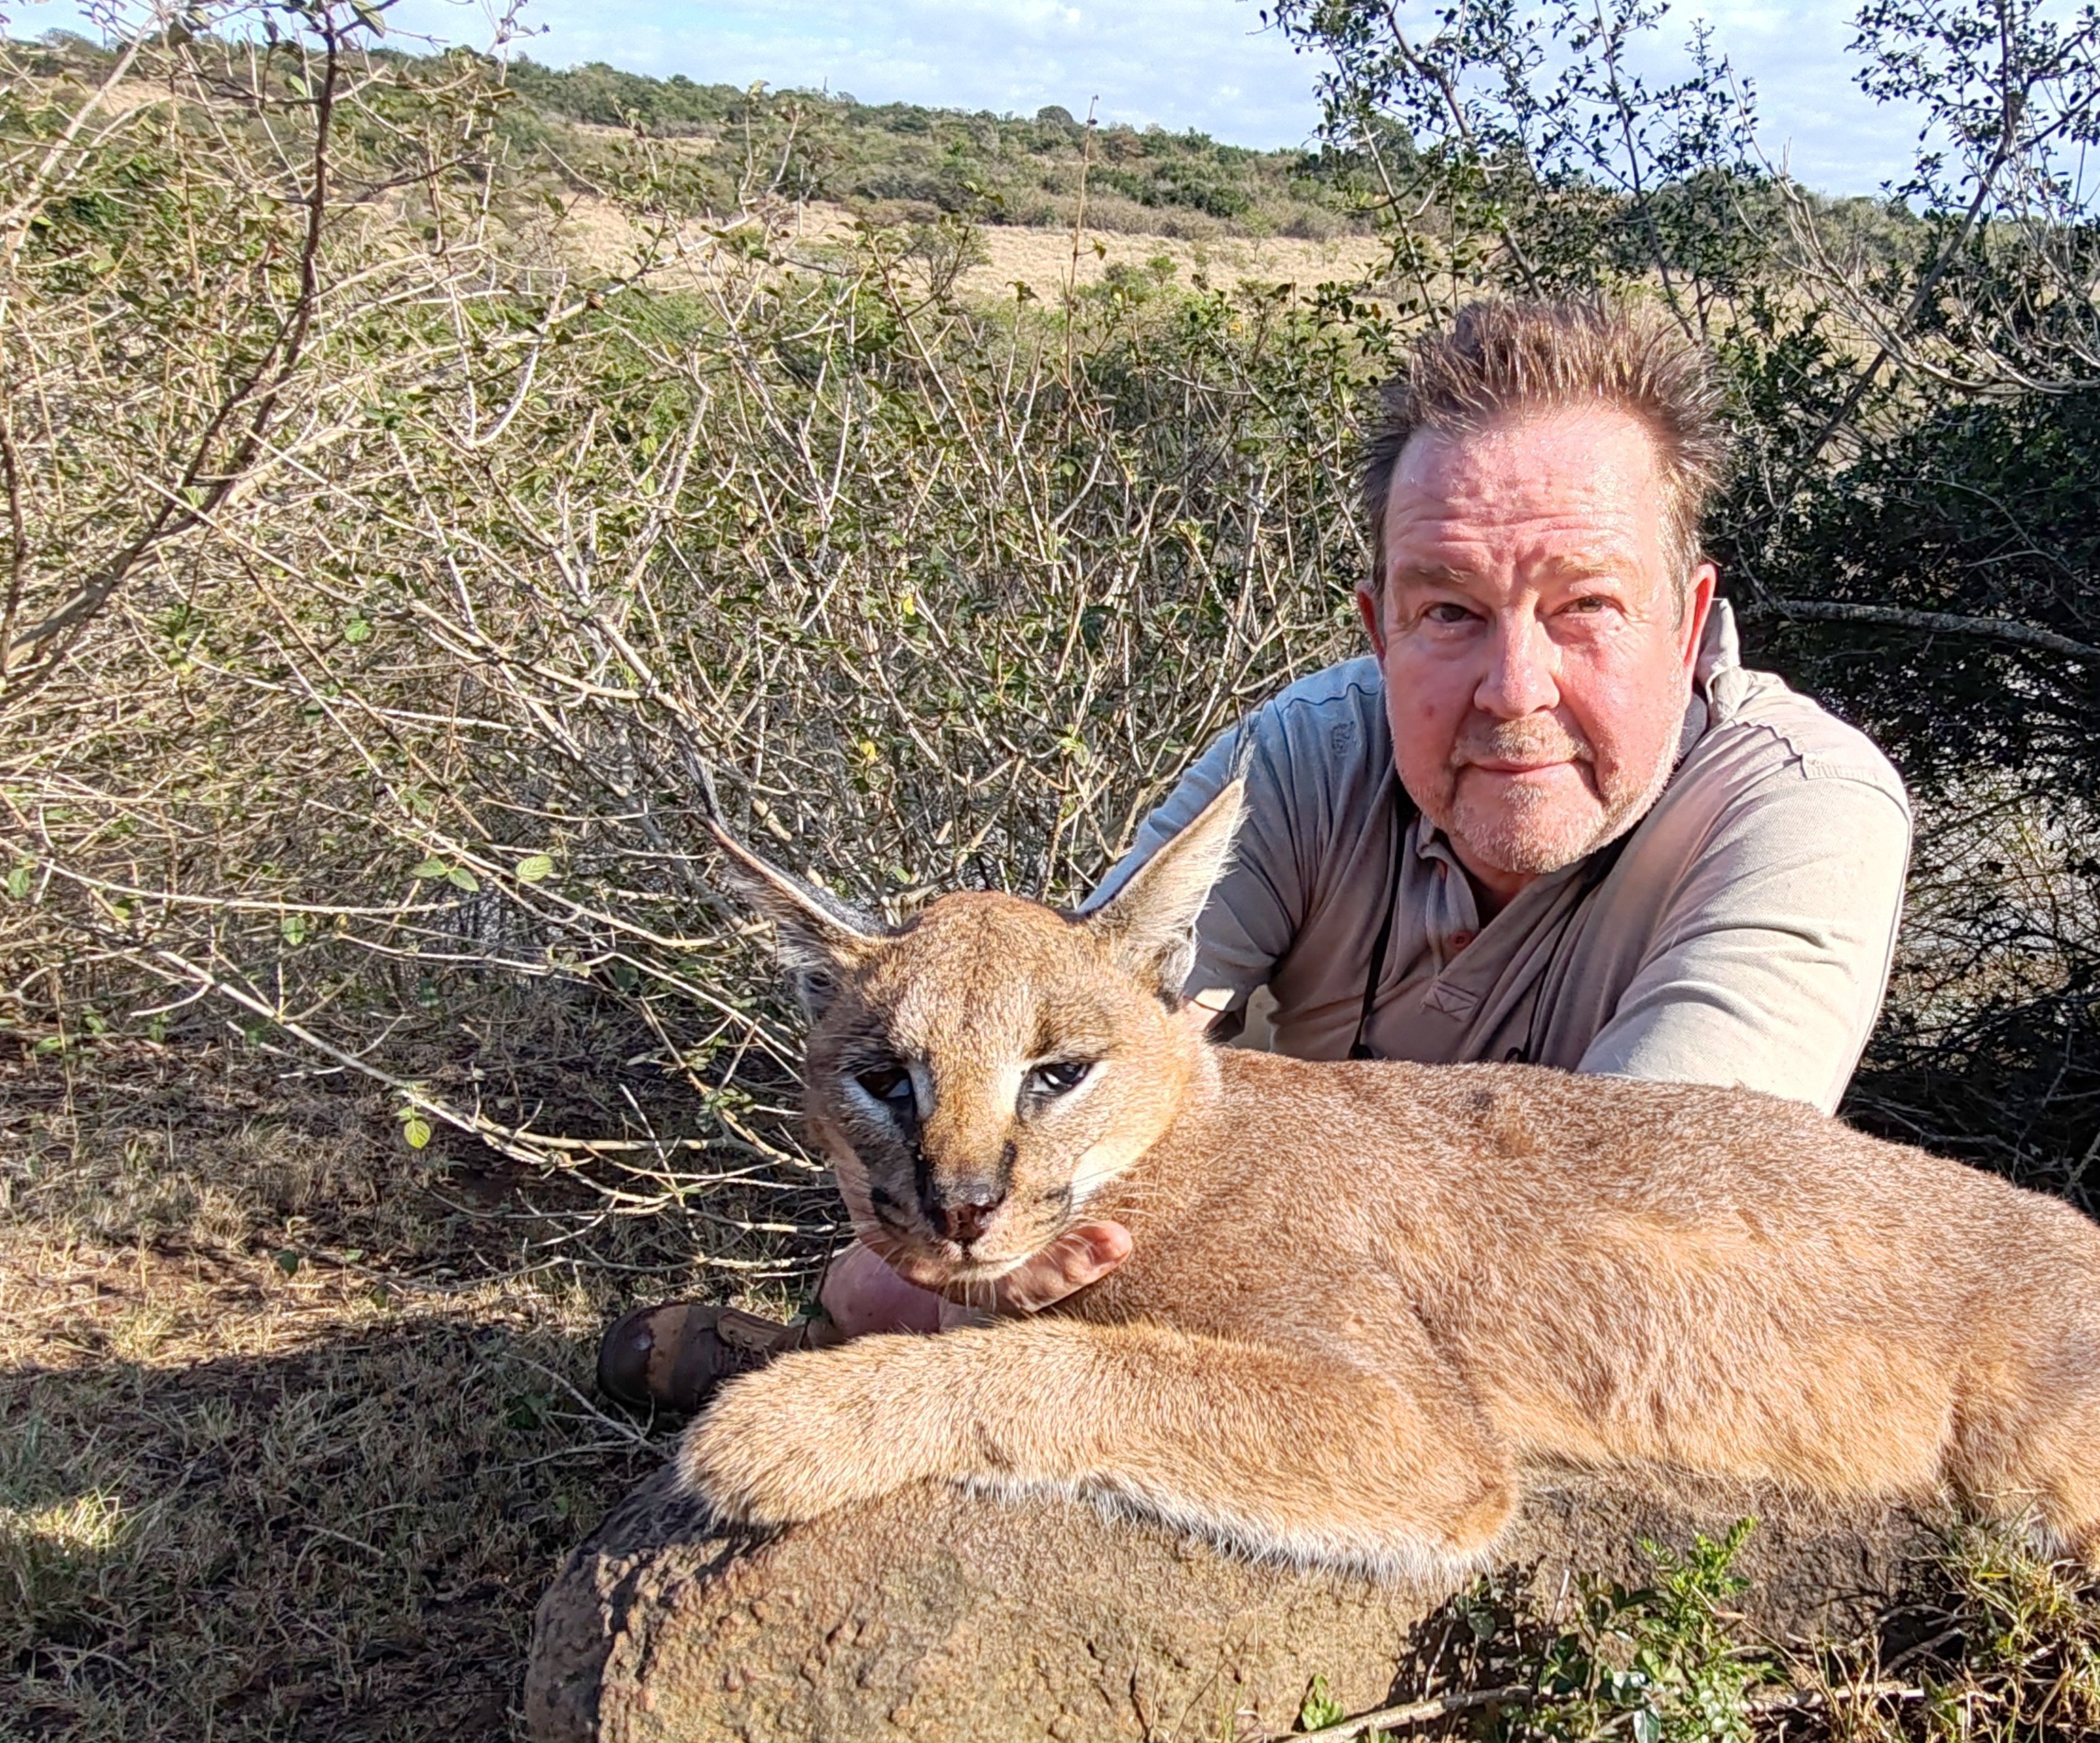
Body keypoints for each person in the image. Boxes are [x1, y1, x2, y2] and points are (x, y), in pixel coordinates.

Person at [600, 294, 1913, 1413]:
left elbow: (1630, 1257)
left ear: (1690, 623)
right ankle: (841, 1355)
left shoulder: (1801, 815)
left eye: (1586, 608)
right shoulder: (1301, 754)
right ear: (1378, 626)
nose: (1515, 688)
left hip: (1458, 1327)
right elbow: (1096, 1029)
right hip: (1249, 1271)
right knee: (880, 1277)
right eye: (1448, 611)